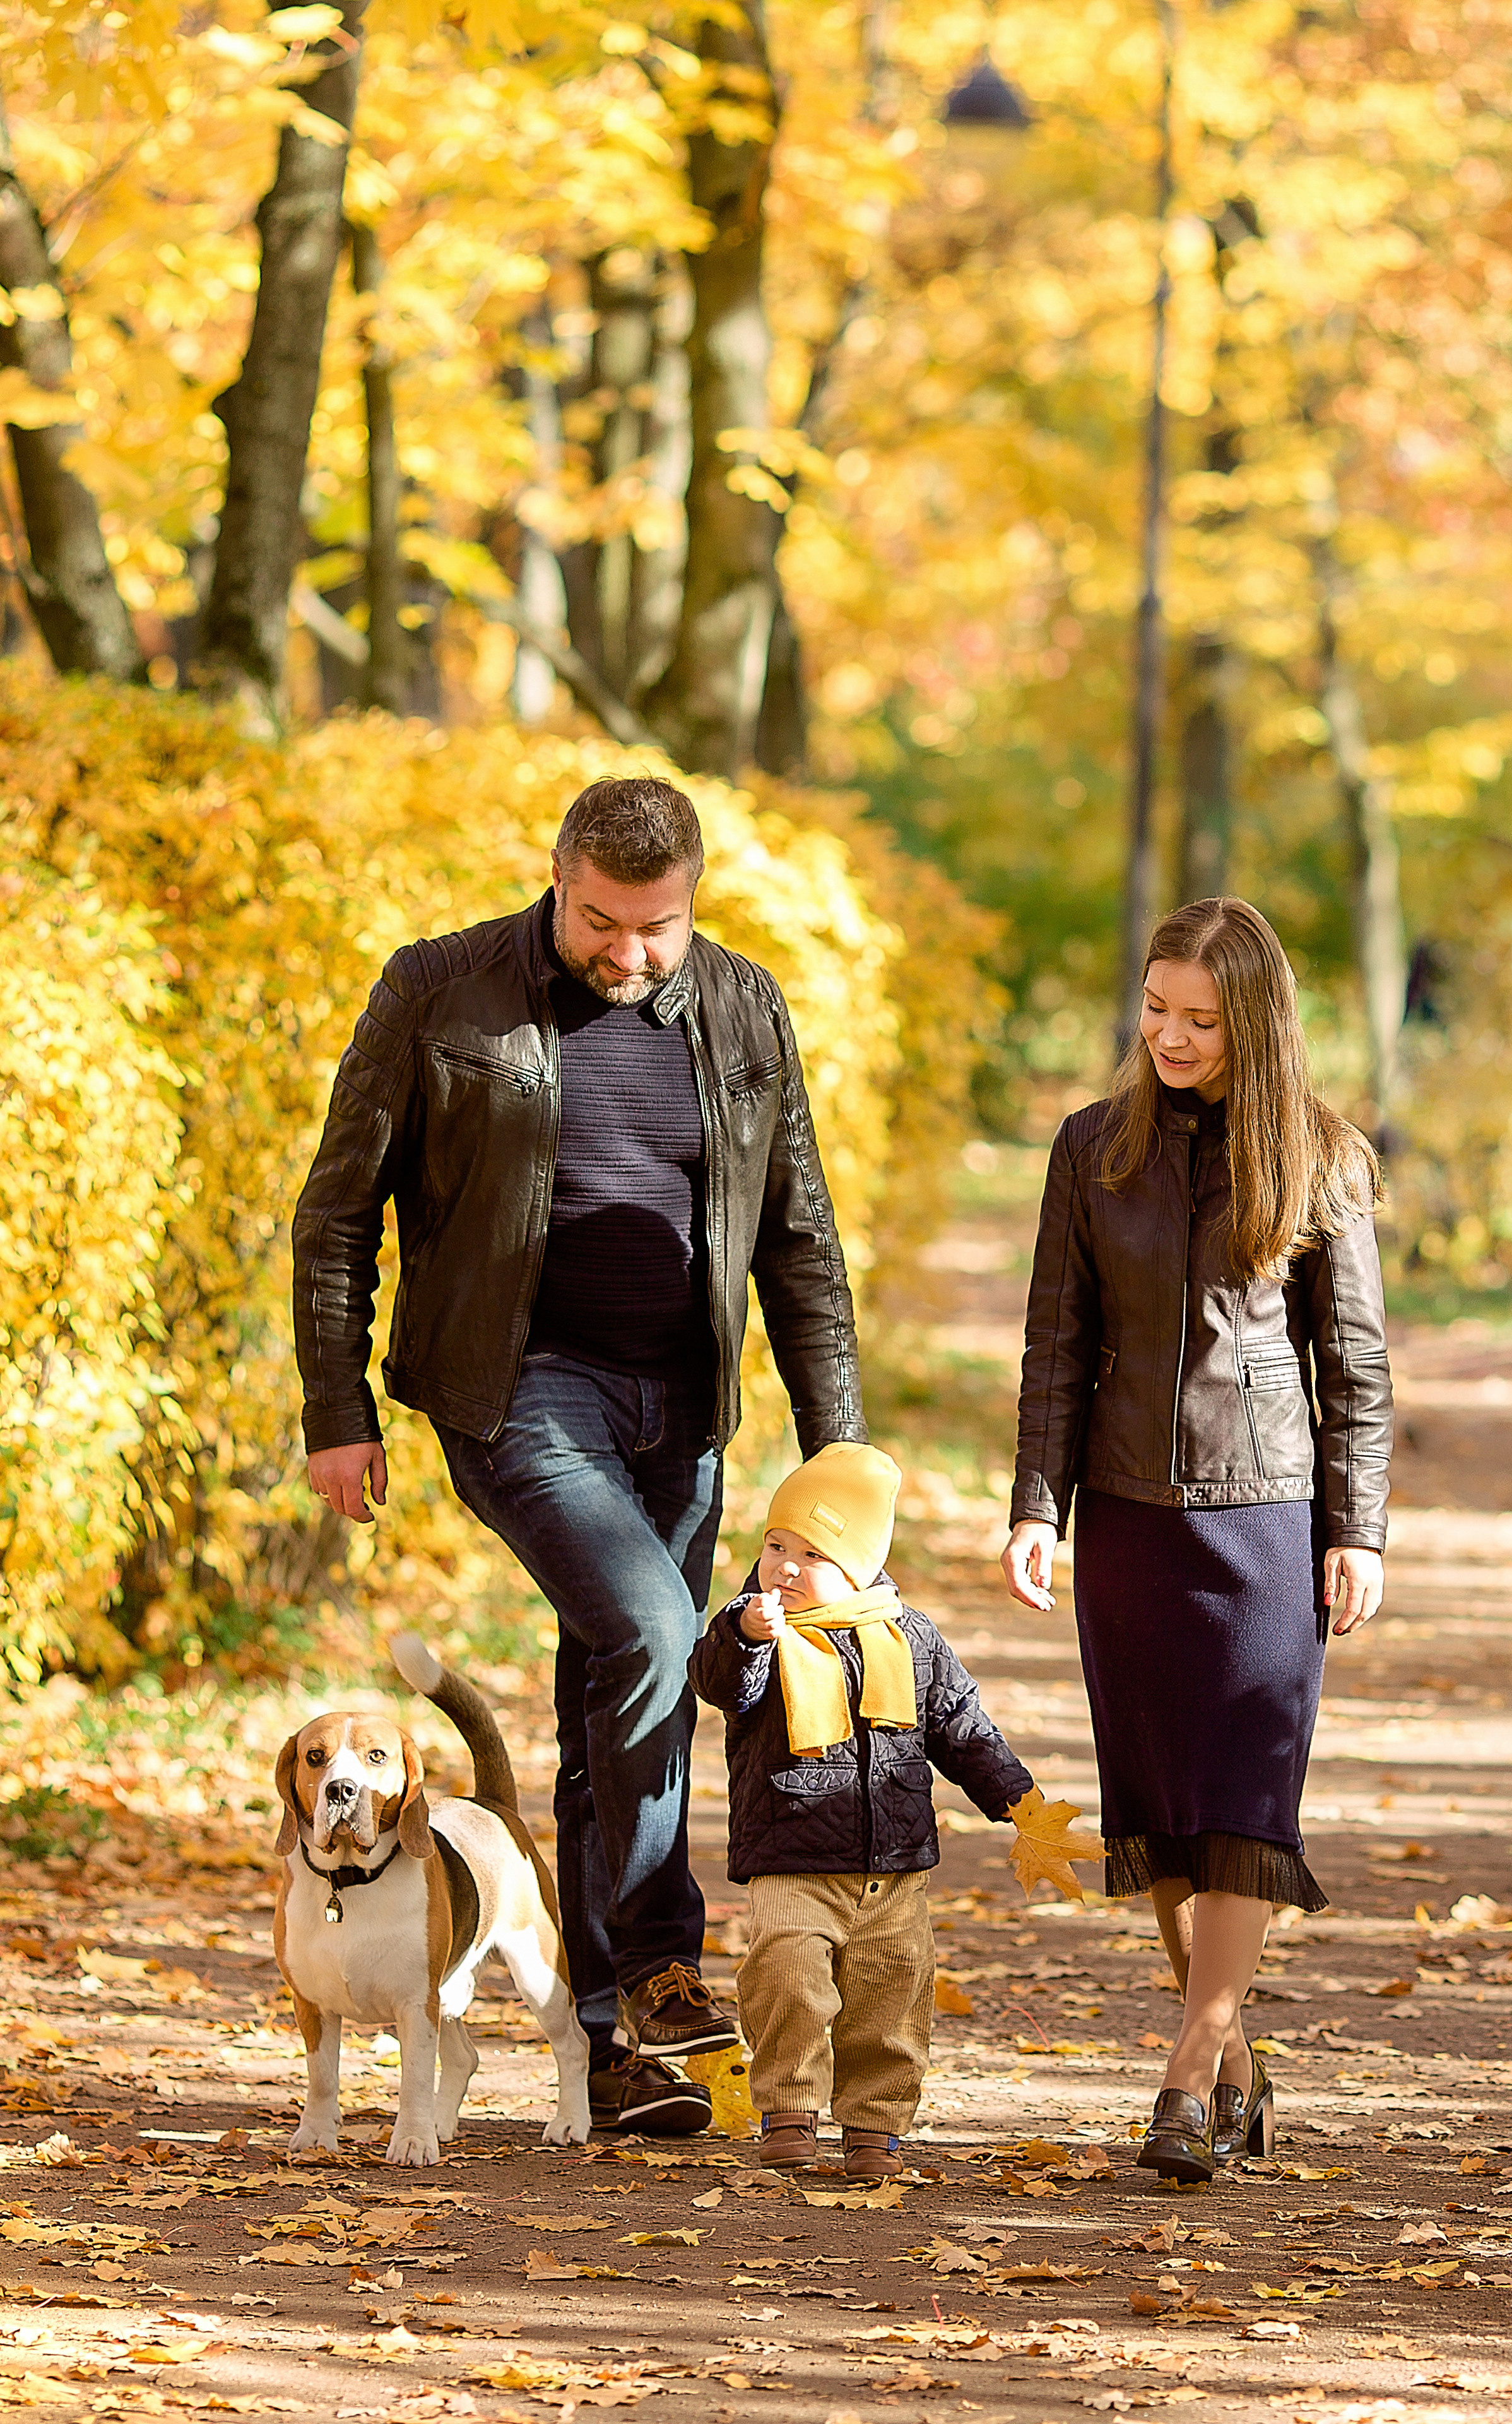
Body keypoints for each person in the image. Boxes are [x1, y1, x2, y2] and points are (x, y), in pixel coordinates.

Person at [291, 775, 868, 2136]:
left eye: (655, 927)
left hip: (681, 1405)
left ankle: (611, 2052)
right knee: (659, 1630)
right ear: (557, 879)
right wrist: (336, 1409)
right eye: (600, 922)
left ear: (692, 903)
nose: (627, 954)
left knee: (618, 1683)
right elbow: (336, 1215)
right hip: (512, 1389)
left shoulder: (741, 1006)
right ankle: (664, 1957)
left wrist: (839, 1450)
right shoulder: (441, 989)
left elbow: (798, 1236)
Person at [1001, 896, 1393, 2187]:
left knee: (1242, 1803)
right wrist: (1034, 1507)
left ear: (1253, 1024)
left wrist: (1359, 1530)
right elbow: (1055, 1345)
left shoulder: (1321, 1160)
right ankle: (1232, 2069)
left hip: (1266, 1518)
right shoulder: (1088, 1150)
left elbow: (1353, 1366)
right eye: (1155, 1011)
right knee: (1165, 1820)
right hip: (1124, 1520)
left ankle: (1188, 2059)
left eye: (1199, 1020)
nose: (1168, 1036)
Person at [690, 1443, 1034, 2178]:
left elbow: (960, 1728)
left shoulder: (910, 1639)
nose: (782, 1566)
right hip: (792, 1857)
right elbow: (721, 1684)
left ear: (858, 1567)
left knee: (891, 1995)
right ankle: (789, 2108)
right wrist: (745, 1637)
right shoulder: (758, 1632)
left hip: (894, 1867)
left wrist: (1018, 1801)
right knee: (788, 1978)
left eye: (810, 1553)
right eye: (774, 1545)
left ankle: (874, 2125)